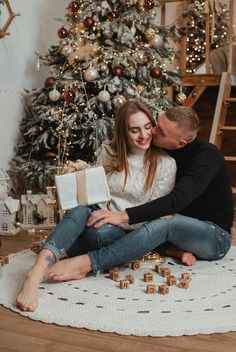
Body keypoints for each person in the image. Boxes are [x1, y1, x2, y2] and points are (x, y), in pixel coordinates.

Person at [16, 100, 176, 312]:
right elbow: (94, 194)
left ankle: (61, 248)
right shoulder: (108, 152)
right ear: (123, 132)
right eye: (135, 130)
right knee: (80, 210)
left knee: (98, 235)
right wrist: (96, 210)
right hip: (97, 214)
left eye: (147, 127)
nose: (144, 135)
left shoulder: (165, 163)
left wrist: (116, 216)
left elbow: (155, 214)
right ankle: (35, 273)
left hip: (128, 231)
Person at [45, 106, 234, 282]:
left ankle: (87, 263)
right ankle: (171, 249)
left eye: (160, 131)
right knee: (155, 223)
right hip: (177, 231)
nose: (152, 131)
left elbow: (175, 201)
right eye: (157, 123)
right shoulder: (164, 149)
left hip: (214, 237)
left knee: (167, 221)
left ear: (181, 143)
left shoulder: (207, 157)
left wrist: (123, 216)